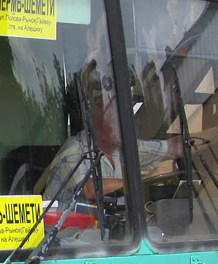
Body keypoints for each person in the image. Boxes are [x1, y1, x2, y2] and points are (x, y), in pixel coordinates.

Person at [41, 58, 182, 201]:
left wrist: (198, 143)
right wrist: (145, 179)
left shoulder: (120, 149)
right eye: (114, 118)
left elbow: (172, 148)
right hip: (63, 223)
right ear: (96, 118)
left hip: (112, 223)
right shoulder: (74, 149)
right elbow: (90, 189)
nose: (122, 125)